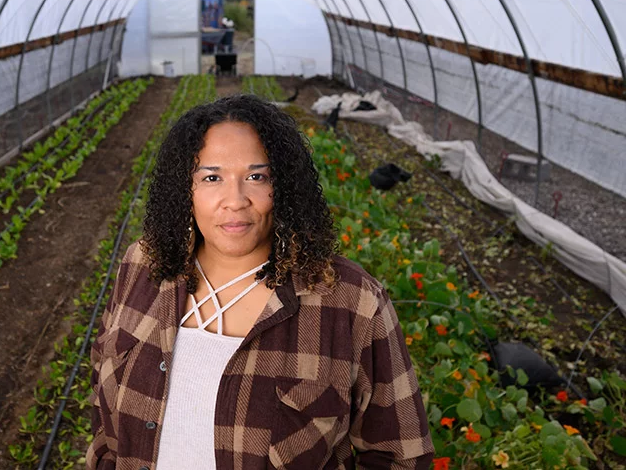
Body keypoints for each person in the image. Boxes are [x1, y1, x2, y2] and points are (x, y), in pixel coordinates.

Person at [85, 95, 434, 470]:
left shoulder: (349, 301)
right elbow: (103, 411)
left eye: (256, 177)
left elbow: (401, 455)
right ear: (184, 188)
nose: (234, 201)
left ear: (283, 186)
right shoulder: (144, 265)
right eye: (211, 177)